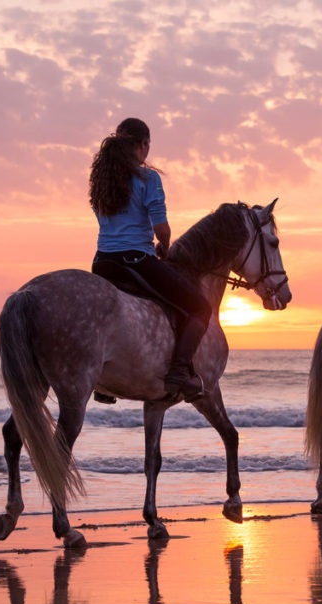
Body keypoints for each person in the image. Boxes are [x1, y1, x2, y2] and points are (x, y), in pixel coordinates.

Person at [88, 117, 209, 402]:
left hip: (102, 263)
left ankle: (101, 384)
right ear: (143, 144)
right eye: (147, 146)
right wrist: (164, 247)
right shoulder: (148, 179)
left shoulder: (101, 181)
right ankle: (179, 372)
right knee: (200, 308)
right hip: (134, 262)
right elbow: (161, 228)